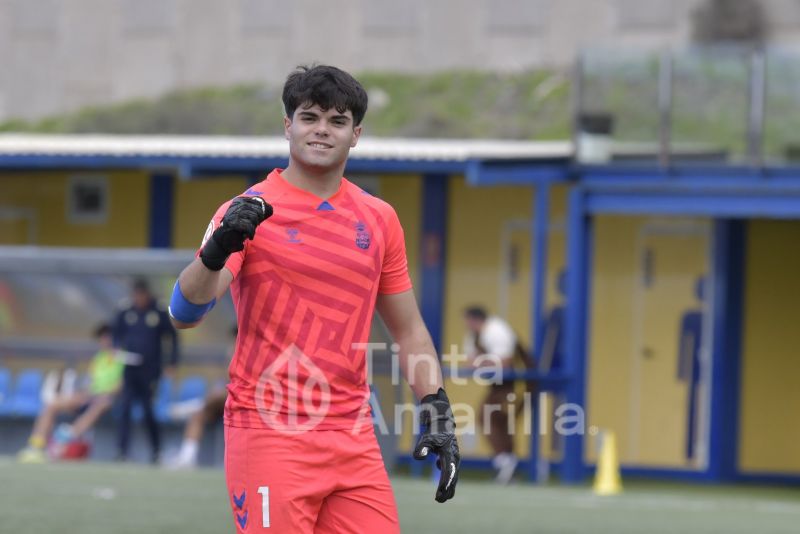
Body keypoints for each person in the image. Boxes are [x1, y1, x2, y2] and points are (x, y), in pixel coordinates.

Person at [169, 65, 460, 533]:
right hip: (268, 431)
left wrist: (436, 407)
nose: (322, 130)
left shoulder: (380, 219)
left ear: (356, 134)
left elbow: (408, 330)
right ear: (288, 126)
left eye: (337, 121)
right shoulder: (245, 211)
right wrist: (217, 249)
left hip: (353, 434)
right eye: (309, 117)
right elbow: (184, 312)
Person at [17, 323, 124, 463]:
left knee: (100, 404)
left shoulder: (123, 357)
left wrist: (102, 394)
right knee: (52, 405)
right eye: (101, 337)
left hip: (110, 399)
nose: (104, 340)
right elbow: (90, 382)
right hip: (91, 396)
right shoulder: (99, 358)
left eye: (106, 336)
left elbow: (121, 385)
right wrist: (82, 394)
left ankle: (64, 440)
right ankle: (36, 446)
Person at [463, 306, 533, 484]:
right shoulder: (474, 335)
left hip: (518, 383)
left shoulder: (497, 330)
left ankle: (506, 464)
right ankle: (507, 466)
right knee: (496, 421)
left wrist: (483, 362)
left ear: (475, 319)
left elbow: (505, 363)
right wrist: (486, 362)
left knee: (490, 418)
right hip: (499, 385)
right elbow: (471, 362)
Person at [113, 278, 179, 464]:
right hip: (129, 369)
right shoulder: (126, 311)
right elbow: (116, 334)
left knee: (148, 410)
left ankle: (156, 450)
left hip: (150, 370)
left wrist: (171, 362)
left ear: (146, 294)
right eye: (136, 295)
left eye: (141, 295)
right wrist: (117, 349)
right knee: (125, 408)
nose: (138, 299)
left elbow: (172, 337)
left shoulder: (158, 311)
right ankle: (122, 451)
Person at [168, 326, 237, 470]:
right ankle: (187, 458)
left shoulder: (251, 354)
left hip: (244, 401)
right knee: (198, 415)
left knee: (219, 395)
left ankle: (195, 404)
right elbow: (227, 378)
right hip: (226, 403)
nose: (233, 343)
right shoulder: (231, 353)